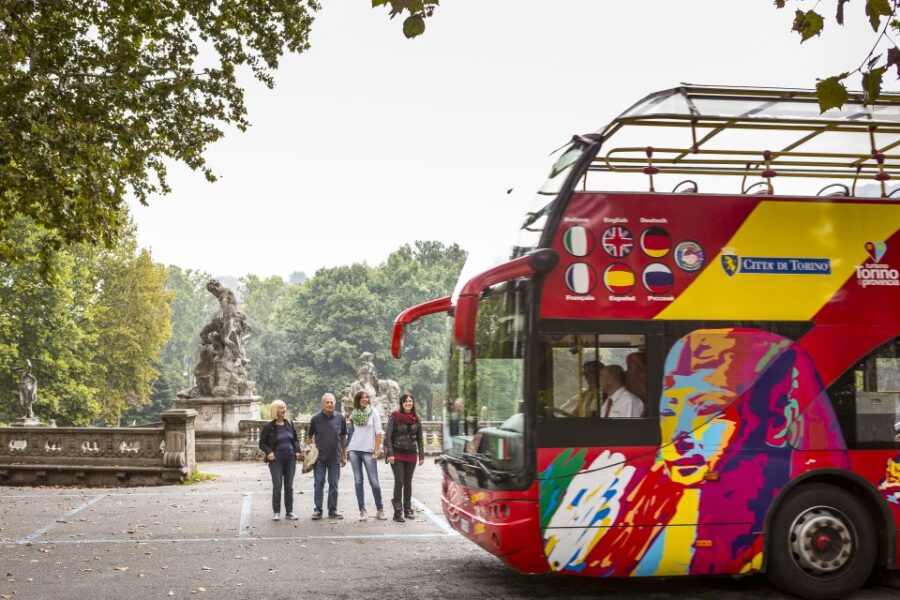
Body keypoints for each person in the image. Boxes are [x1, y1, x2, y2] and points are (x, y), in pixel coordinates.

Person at [347, 390, 387, 521]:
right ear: (357, 400)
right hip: (354, 450)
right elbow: (351, 432)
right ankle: (362, 510)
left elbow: (379, 432)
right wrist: (346, 448)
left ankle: (380, 509)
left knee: (374, 482)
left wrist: (376, 451)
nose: (364, 399)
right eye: (361, 397)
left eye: (366, 397)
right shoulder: (353, 414)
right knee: (358, 481)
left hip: (368, 451)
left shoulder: (373, 412)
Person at [306, 392, 347, 520]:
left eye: (331, 402)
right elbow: (309, 437)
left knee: (334, 484)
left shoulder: (341, 418)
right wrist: (311, 450)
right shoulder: (315, 419)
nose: (329, 404)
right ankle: (318, 510)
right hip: (319, 459)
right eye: (327, 402)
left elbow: (343, 437)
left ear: (335, 403)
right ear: (322, 404)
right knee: (319, 483)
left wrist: (344, 455)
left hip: (335, 457)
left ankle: (332, 511)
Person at [385, 393, 425, 522]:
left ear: (413, 403)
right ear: (402, 403)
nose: (408, 403)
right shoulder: (395, 415)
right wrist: (390, 453)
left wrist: (422, 455)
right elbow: (388, 435)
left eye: (410, 401)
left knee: (408, 483)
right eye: (406, 401)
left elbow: (420, 438)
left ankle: (408, 510)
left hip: (411, 454)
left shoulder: (416, 418)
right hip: (397, 454)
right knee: (399, 481)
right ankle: (398, 512)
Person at [258, 400, 301, 521]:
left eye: (285, 407)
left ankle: (289, 512)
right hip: (276, 460)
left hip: (290, 459)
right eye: (281, 408)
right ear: (275, 410)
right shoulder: (269, 427)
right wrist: (269, 452)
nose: (284, 410)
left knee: (289, 486)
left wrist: (297, 450)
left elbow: (295, 440)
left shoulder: (290, 424)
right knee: (277, 486)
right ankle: (276, 512)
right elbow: (262, 443)